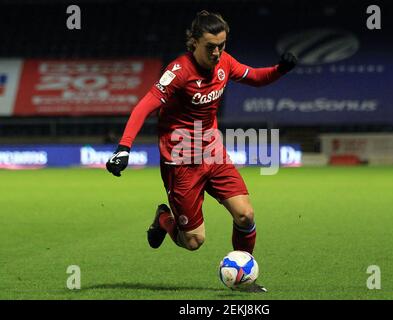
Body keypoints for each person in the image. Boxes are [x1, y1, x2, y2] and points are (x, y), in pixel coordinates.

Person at [106, 10, 297, 292]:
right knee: (193, 241)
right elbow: (145, 105)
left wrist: (280, 69)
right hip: (180, 161)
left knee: (245, 215)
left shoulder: (225, 63)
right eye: (210, 47)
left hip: (213, 153)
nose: (218, 52)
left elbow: (255, 77)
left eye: (222, 45)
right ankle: (162, 217)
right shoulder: (179, 72)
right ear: (193, 42)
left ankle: (244, 279)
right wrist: (124, 147)